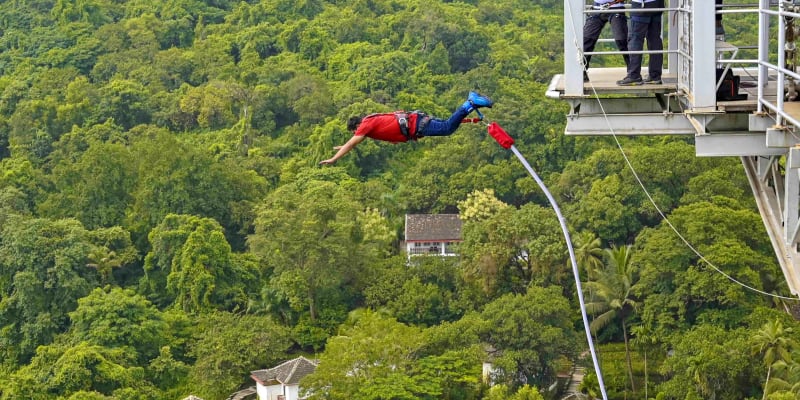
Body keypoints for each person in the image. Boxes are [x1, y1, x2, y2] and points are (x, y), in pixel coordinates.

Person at [319, 91, 493, 165]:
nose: (356, 135)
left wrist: (335, 158)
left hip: (417, 124)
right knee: (449, 128)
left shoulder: (366, 124)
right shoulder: (370, 123)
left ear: (357, 126)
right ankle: (470, 105)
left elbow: (352, 143)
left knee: (447, 128)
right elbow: (352, 143)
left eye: (354, 132)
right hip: (417, 122)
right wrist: (343, 147)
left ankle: (469, 103)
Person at [617, 0, 664, 86]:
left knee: (635, 40)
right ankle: (655, 76)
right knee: (654, 39)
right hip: (657, 5)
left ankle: (634, 76)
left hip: (641, 6)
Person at [583, 0, 630, 82]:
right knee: (586, 40)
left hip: (616, 7)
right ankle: (582, 72)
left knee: (622, 41)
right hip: (597, 7)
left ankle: (633, 73)